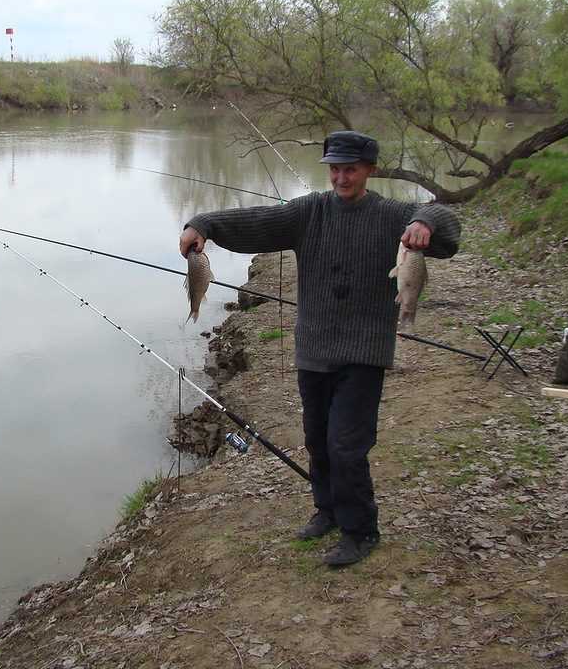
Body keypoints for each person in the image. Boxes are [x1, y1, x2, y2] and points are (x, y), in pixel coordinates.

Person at [178, 131, 461, 566]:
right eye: (335, 168)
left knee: (347, 444)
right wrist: (204, 225)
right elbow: (258, 222)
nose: (341, 177)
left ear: (369, 170)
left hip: (364, 350)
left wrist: (425, 223)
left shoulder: (393, 216)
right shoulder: (309, 211)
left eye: (350, 169)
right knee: (318, 439)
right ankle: (326, 510)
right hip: (313, 346)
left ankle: (360, 530)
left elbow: (446, 223)